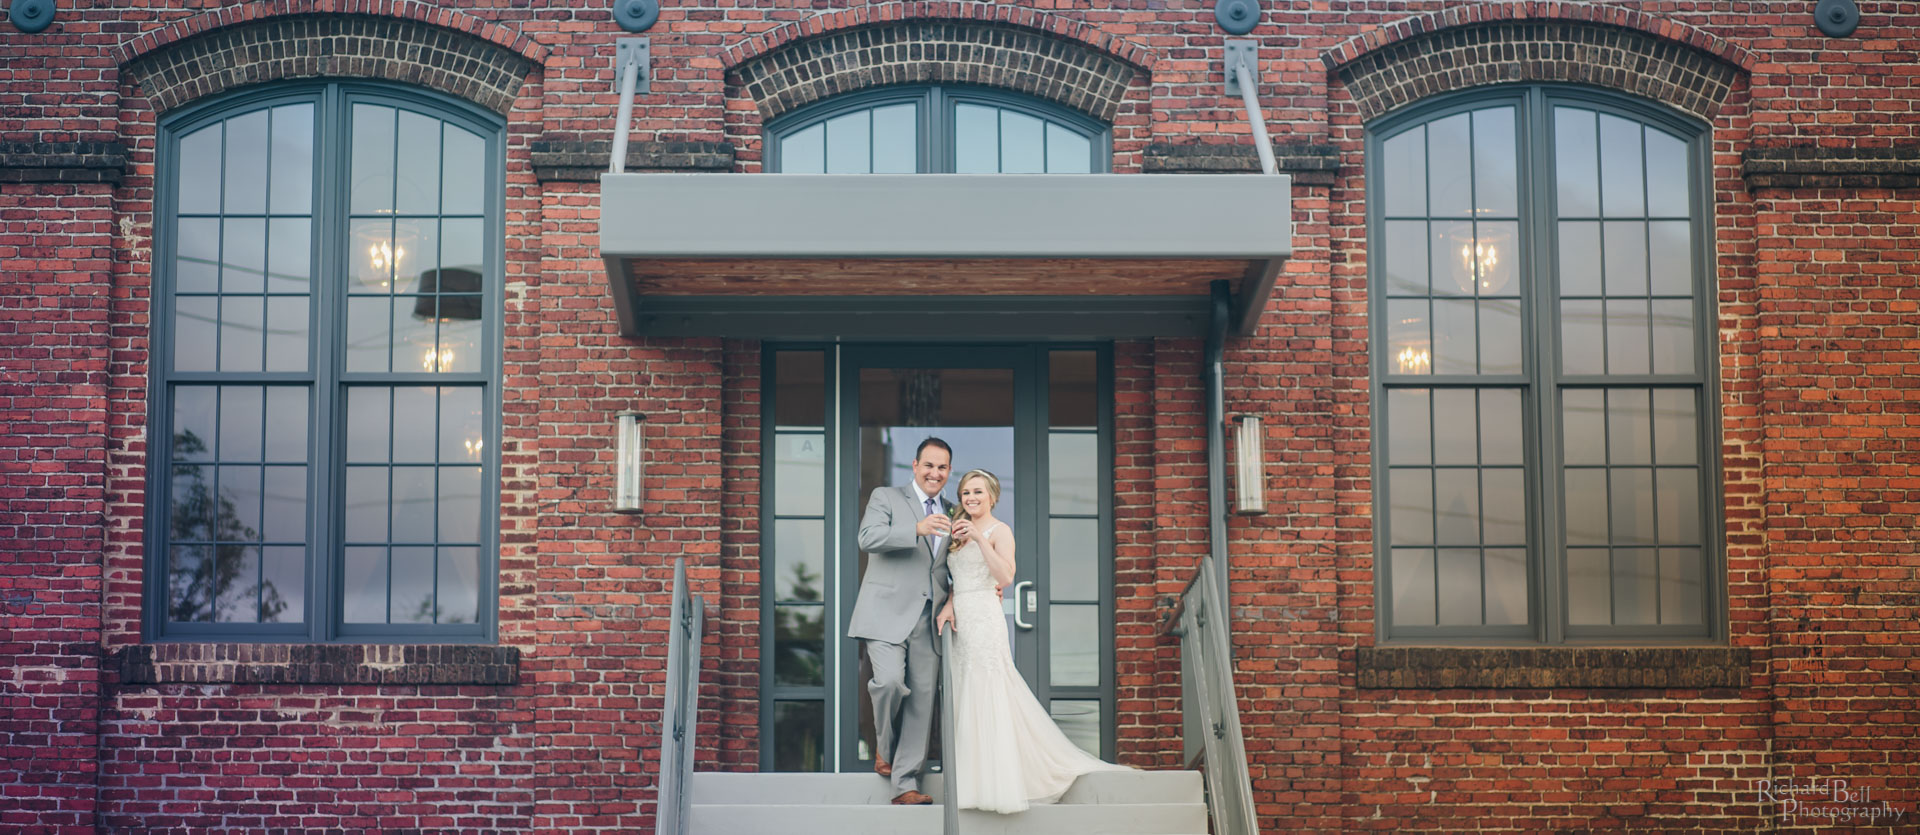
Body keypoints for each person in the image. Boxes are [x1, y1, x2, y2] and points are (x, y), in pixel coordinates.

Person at [937, 468, 1131, 814]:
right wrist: (950, 604)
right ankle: (967, 780)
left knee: (989, 689)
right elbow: (956, 579)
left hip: (984, 617)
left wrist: (981, 540)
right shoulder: (956, 532)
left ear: (992, 496)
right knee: (965, 692)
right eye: (966, 493)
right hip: (961, 619)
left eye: (978, 492)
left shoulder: (1000, 531)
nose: (971, 499)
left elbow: (1006, 576)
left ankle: (997, 782)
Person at [849, 437, 954, 806]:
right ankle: (883, 745)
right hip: (885, 613)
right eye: (929, 465)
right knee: (890, 682)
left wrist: (956, 599)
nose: (934, 473)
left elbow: (955, 568)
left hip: (931, 619)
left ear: (949, 472)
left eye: (942, 467)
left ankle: (905, 785)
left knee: (922, 704)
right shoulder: (886, 497)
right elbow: (868, 538)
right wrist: (917, 529)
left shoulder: (954, 511)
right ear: (914, 466)